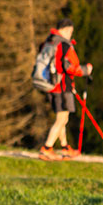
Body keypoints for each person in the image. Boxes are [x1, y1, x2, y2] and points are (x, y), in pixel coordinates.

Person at [39, 17, 92, 159]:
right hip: (62, 86)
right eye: (70, 31)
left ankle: (64, 147)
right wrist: (86, 70)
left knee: (63, 118)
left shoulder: (49, 41)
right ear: (65, 29)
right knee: (62, 118)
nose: (71, 34)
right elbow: (71, 67)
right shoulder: (64, 45)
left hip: (50, 85)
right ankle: (47, 148)